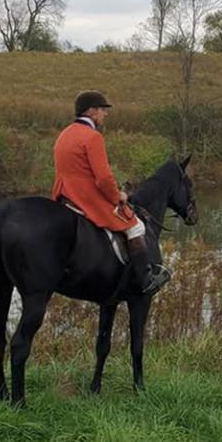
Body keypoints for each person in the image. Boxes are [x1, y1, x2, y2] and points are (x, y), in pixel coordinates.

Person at [51, 90, 170, 294]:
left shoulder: (64, 134)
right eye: (103, 110)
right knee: (135, 227)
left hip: (63, 196)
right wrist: (118, 197)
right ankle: (146, 279)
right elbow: (104, 178)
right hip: (85, 198)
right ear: (91, 111)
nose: (105, 114)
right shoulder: (92, 137)